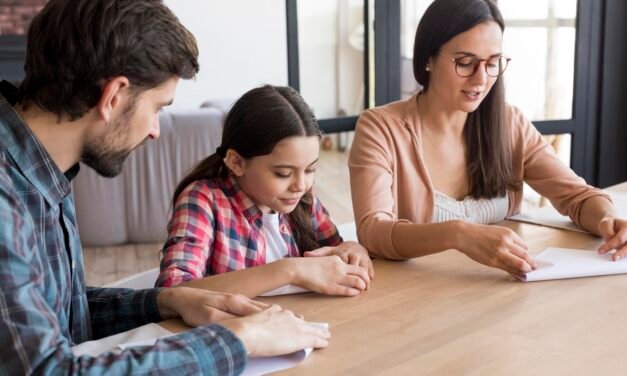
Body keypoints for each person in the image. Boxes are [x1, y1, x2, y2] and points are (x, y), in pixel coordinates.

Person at [0, 1, 329, 374]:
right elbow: (48, 369)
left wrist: (168, 301)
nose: (156, 131)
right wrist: (239, 340)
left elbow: (61, 314)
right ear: (114, 96)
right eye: (157, 107)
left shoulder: (38, 168)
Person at [348, 0, 627, 276]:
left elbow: (577, 195)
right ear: (428, 59)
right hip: (415, 299)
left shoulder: (509, 124)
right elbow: (373, 231)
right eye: (465, 63)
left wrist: (607, 217)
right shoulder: (381, 128)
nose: (481, 79)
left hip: (500, 291)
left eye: (493, 63)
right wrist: (457, 233)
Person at [156, 85, 374, 297]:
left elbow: (334, 251)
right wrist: (291, 271)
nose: (301, 185)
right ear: (236, 162)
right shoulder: (203, 199)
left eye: (310, 169)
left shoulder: (303, 197)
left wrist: (351, 249)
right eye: (283, 173)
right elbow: (174, 291)